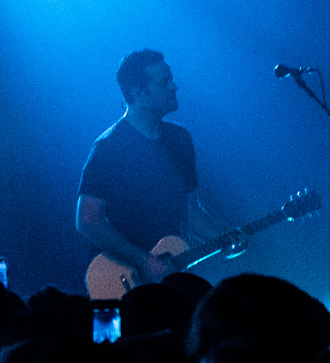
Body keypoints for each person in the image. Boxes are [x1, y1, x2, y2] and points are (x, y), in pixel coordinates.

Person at [76, 49, 233, 289]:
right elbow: (87, 220)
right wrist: (143, 260)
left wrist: (226, 239)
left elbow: (190, 211)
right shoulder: (107, 148)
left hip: (168, 280)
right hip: (111, 282)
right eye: (164, 82)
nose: (174, 87)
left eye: (171, 79)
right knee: (109, 329)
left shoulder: (180, 139)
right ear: (137, 92)